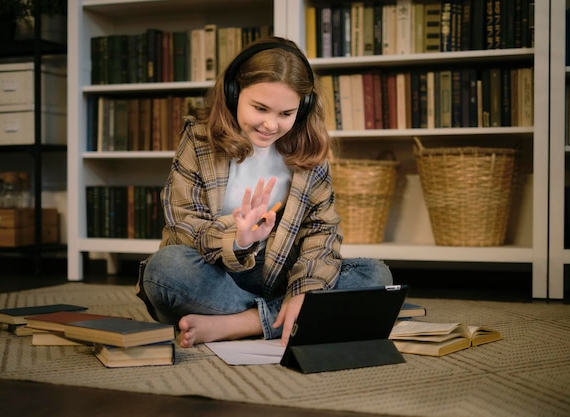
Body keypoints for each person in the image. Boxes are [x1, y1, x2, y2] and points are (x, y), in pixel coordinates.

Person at [137, 36, 393, 348]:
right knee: (164, 269)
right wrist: (237, 238)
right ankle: (282, 317)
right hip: (215, 275)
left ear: (303, 107)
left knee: (376, 276)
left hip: (280, 274)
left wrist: (304, 292)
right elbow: (182, 226)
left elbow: (321, 231)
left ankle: (241, 324)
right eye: (260, 108)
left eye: (286, 113)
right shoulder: (199, 138)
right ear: (233, 94)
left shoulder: (309, 149)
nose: (271, 124)